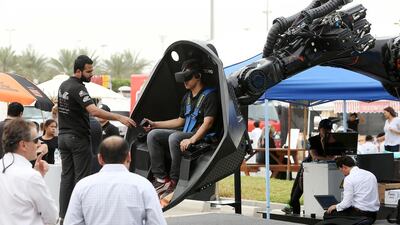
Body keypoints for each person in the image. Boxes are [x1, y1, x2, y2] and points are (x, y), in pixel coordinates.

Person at [57, 55, 136, 221]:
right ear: (78, 71)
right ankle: (83, 218)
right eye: (88, 71)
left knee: (66, 178)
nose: (91, 74)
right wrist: (119, 117)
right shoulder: (78, 87)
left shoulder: (63, 85)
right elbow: (94, 111)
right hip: (77, 138)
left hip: (62, 137)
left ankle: (63, 217)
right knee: (82, 180)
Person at [144, 58, 219, 202]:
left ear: (198, 76)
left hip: (201, 136)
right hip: (185, 133)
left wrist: (192, 139)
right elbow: (180, 121)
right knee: (153, 135)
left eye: (188, 78)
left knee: (174, 138)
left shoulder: (210, 96)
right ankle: (161, 179)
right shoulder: (187, 97)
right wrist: (155, 124)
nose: (185, 82)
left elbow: (208, 123)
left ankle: (174, 181)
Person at [64, 136, 166, 225]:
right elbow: (157, 222)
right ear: (129, 157)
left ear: (100, 158)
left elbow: (71, 222)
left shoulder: (82, 186)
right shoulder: (143, 185)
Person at [0, 119, 58, 225]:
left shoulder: (5, 165)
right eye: (36, 140)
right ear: (23, 145)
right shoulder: (30, 176)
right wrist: (37, 176)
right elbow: (51, 217)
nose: (39, 143)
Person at [283, 119, 336, 215]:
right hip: (307, 169)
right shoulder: (313, 140)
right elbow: (314, 156)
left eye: (329, 130)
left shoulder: (333, 140)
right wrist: (327, 157)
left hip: (323, 171)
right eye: (325, 130)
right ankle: (296, 215)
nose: (328, 132)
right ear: (320, 129)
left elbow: (335, 156)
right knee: (295, 196)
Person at [325, 156, 379, 224]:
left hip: (359, 215)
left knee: (327, 214)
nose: (342, 172)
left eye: (340, 170)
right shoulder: (370, 174)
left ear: (344, 166)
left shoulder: (349, 179)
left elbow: (346, 204)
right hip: (374, 215)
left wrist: (335, 206)